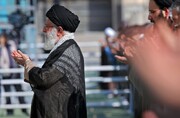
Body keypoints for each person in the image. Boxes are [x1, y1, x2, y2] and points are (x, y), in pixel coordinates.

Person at [11, 4, 87, 118]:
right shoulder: (64, 47)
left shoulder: (69, 50)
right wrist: (26, 63)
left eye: (47, 26)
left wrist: (27, 62)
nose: (43, 30)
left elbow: (44, 79)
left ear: (59, 30)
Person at [0, 33, 29, 116]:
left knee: (19, 90)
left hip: (15, 72)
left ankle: (24, 109)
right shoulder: (1, 48)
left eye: (2, 38)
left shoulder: (11, 44)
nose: (1, 40)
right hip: (6, 73)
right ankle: (9, 111)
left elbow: (16, 53)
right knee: (7, 92)